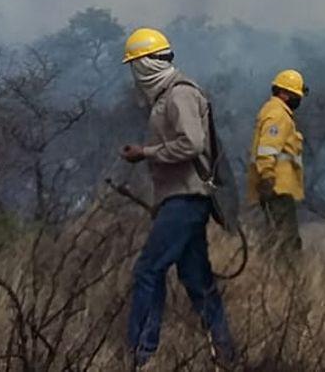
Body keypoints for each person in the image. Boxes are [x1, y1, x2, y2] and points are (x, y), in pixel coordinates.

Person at [119, 27, 237, 369]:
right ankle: (225, 353)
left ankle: (140, 355)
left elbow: (192, 143)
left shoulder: (178, 95)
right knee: (196, 280)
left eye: (135, 65)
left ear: (145, 65)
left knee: (147, 271)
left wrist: (146, 152)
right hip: (181, 199)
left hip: (186, 199)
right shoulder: (165, 96)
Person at [247, 69, 307, 257]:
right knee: (286, 241)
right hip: (277, 187)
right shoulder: (278, 115)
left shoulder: (275, 112)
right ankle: (288, 281)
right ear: (283, 93)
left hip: (277, 187)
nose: (298, 99)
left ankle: (273, 278)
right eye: (295, 95)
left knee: (277, 238)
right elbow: (267, 149)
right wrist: (268, 177)